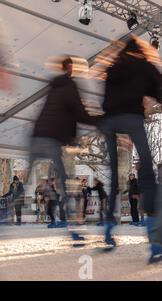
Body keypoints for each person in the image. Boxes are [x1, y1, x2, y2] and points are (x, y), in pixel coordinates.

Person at [99, 37, 162, 257]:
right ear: (141, 50)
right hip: (131, 119)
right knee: (145, 172)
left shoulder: (113, 66)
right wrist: (147, 103)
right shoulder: (145, 66)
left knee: (115, 176)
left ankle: (107, 230)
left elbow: (104, 102)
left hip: (109, 122)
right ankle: (155, 242)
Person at [28, 56, 96, 232]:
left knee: (53, 187)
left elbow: (61, 113)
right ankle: (72, 228)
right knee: (64, 187)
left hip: (37, 135)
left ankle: (63, 221)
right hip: (51, 139)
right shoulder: (69, 85)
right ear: (70, 68)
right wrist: (97, 121)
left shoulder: (54, 86)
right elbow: (78, 113)